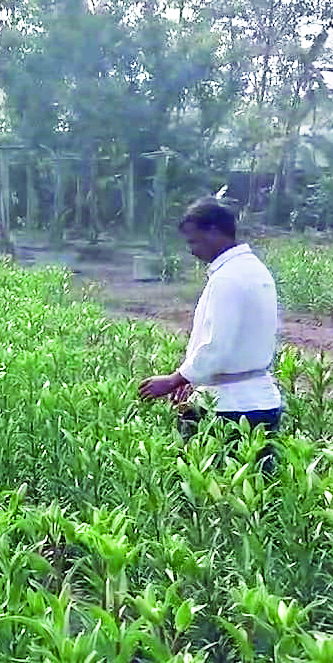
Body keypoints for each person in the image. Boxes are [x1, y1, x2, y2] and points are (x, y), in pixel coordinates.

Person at [138, 196, 282, 463]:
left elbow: (217, 346)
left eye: (194, 241)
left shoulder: (228, 278)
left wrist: (174, 380)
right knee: (257, 495)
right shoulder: (253, 270)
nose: (192, 250)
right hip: (260, 402)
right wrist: (192, 379)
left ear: (214, 231)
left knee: (209, 493)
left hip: (231, 409)